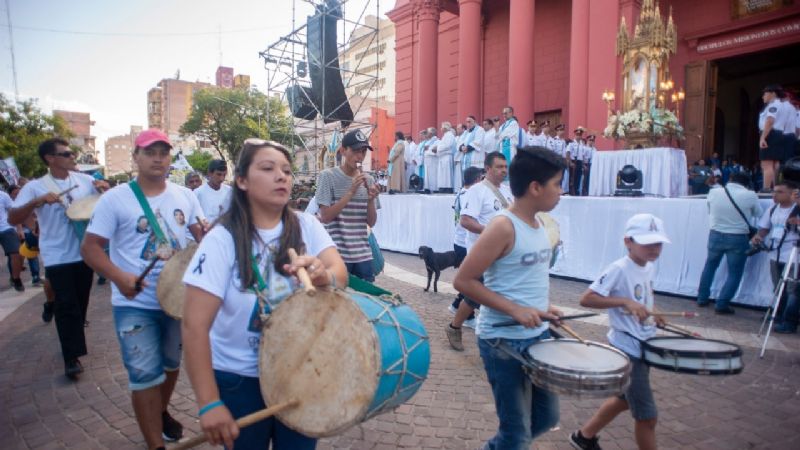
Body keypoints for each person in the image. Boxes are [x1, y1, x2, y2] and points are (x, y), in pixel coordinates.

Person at [182, 139, 347, 450]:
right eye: (268, 169)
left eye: (286, 170)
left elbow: (340, 273)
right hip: (239, 377)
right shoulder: (221, 238)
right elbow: (193, 326)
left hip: (299, 368)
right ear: (242, 181)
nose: (282, 176)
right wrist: (208, 403)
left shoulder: (306, 225)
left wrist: (324, 276)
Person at [81, 128, 204, 448]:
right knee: (144, 375)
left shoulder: (186, 196)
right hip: (134, 304)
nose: (158, 158)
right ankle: (155, 444)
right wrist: (120, 277)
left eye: (163, 152)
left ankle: (159, 411)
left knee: (170, 366)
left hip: (177, 301)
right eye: (150, 152)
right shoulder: (114, 199)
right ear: (136, 157)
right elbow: (90, 248)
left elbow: (203, 237)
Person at [453, 147, 566, 449]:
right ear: (535, 187)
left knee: (545, 418)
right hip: (502, 342)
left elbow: (526, 280)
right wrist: (514, 310)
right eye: (557, 183)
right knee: (515, 436)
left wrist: (545, 308)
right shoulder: (503, 226)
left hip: (538, 336)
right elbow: (463, 280)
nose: (561, 191)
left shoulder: (540, 224)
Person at [569, 213, 671, 450]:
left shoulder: (648, 267)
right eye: (647, 242)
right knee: (647, 417)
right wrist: (624, 302)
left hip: (644, 344)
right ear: (628, 242)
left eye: (658, 243)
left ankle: (584, 437)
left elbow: (645, 296)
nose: (654, 248)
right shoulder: (619, 268)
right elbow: (587, 299)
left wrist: (654, 311)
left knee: (625, 399)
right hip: (628, 348)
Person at [9, 138, 107, 379]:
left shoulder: (84, 181)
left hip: (83, 251)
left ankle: (58, 315)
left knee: (81, 302)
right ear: (50, 159)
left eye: (72, 153)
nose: (73, 157)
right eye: (67, 154)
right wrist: (36, 202)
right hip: (56, 255)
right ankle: (71, 358)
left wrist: (105, 188)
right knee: (67, 305)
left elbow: (105, 204)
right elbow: (13, 218)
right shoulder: (34, 187)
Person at [445, 152, 513, 351]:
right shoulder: (476, 191)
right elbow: (466, 220)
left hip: (504, 252)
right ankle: (454, 326)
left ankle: (500, 333)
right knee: (476, 295)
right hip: (481, 251)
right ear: (488, 169)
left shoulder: (508, 192)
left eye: (505, 167)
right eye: (499, 167)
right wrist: (491, 232)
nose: (504, 171)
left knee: (502, 291)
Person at [315, 129, 381, 282]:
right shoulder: (327, 176)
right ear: (343, 151)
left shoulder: (369, 180)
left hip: (363, 255)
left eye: (363, 152)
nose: (360, 156)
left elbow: (371, 223)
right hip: (336, 255)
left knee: (364, 303)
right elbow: (325, 217)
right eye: (356, 151)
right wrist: (350, 192)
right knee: (337, 303)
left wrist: (371, 200)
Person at [696, 172, 761, 314]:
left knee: (710, 266)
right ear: (746, 184)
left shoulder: (714, 192)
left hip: (715, 234)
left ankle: (702, 298)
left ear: (730, 179)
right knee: (734, 273)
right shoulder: (750, 195)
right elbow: (758, 213)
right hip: (738, 237)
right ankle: (722, 304)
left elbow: (709, 210)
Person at [751, 183, 798, 333]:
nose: (774, 195)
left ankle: (790, 322)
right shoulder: (772, 209)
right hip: (775, 253)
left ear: (791, 194)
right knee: (778, 286)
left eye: (779, 192)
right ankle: (779, 313)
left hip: (794, 255)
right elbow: (765, 227)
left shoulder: (797, 210)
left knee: (794, 290)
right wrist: (759, 236)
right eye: (774, 191)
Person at [448, 166, 483, 328]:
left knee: (472, 279)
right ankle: (467, 317)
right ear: (476, 180)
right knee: (472, 281)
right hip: (464, 242)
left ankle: (456, 305)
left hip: (459, 241)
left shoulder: (461, 192)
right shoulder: (470, 194)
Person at [759, 85, 787, 192]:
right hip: (779, 133)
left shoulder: (773, 105)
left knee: (766, 163)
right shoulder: (783, 106)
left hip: (770, 134)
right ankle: (777, 188)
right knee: (776, 164)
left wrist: (763, 138)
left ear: (773, 94)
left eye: (765, 94)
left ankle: (766, 188)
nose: (763, 97)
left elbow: (770, 121)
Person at [1, 186, 25, 291]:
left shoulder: (3, 195)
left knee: (17, 253)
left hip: (6, 228)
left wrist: (19, 229)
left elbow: (14, 212)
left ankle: (16, 278)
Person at [195, 159, 232, 224]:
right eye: (219, 174)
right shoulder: (198, 193)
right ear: (210, 173)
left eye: (224, 175)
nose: (222, 179)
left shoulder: (229, 191)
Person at [567, 127, 587, 195]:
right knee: (572, 177)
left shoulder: (582, 144)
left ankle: (576, 190)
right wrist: (570, 162)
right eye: (577, 135)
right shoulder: (571, 143)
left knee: (578, 177)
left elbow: (583, 155)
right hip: (573, 161)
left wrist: (584, 164)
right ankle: (571, 191)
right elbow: (568, 153)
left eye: (580, 135)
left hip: (579, 162)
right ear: (575, 135)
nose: (578, 136)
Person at [437, 122, 456, 193]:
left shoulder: (450, 135)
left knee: (447, 173)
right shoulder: (445, 136)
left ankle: (448, 187)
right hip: (443, 156)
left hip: (447, 156)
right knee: (443, 173)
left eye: (442, 127)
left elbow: (448, 145)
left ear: (445, 128)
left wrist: (438, 148)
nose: (441, 129)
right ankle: (443, 186)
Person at [551, 124, 570, 192]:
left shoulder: (563, 140)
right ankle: (555, 189)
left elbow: (565, 151)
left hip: (562, 159)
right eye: (560, 130)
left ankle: (560, 188)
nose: (562, 132)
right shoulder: (554, 140)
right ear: (557, 131)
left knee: (562, 175)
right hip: (557, 159)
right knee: (556, 175)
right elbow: (553, 150)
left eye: (562, 130)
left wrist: (566, 159)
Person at [422, 127, 440, 193]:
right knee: (427, 175)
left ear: (432, 133)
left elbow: (435, 151)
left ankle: (434, 189)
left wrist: (428, 149)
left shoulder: (437, 141)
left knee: (433, 175)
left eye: (428, 132)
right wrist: (427, 149)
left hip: (433, 161)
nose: (427, 134)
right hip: (427, 161)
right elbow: (425, 150)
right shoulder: (428, 142)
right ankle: (427, 188)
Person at [453, 123, 467, 191]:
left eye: (459, 129)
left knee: (462, 175)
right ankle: (458, 189)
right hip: (457, 158)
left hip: (461, 157)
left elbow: (461, 147)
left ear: (463, 129)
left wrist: (457, 157)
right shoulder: (457, 137)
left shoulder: (465, 136)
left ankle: (462, 188)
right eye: (457, 129)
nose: (457, 130)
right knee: (458, 176)